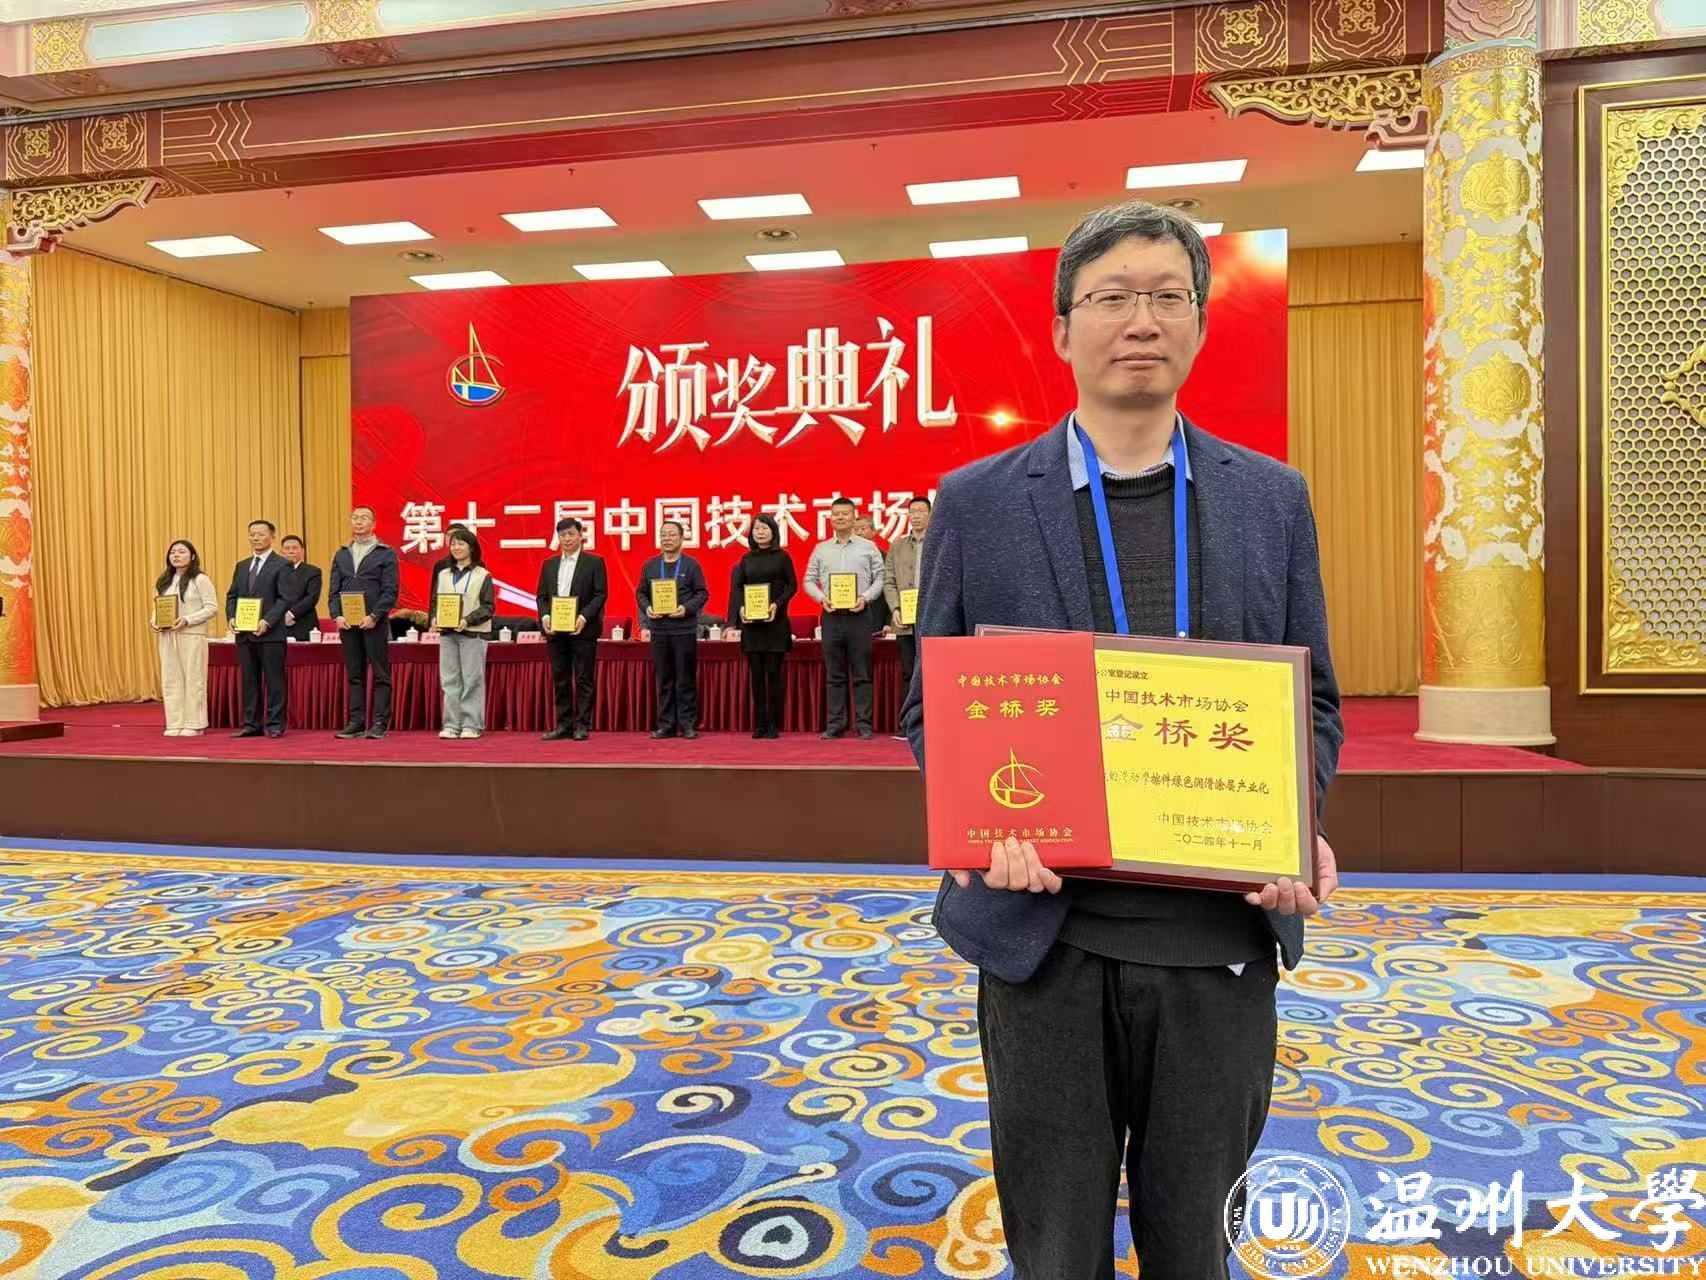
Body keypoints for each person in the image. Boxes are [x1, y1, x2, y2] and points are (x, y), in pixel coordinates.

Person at [899, 199, 1345, 1280]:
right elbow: (932, 707)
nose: (1140, 319)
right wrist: (981, 822)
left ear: (1198, 324)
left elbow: (1316, 702)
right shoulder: (976, 502)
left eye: (1166, 296)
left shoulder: (1271, 499)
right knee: (1055, 1244)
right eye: (1110, 297)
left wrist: (1296, 820)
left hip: (1216, 936)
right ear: (1063, 330)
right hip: (1044, 937)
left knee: (1197, 1242)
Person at [803, 496, 885, 740]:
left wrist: (866, 598)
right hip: (831, 616)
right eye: (836, 514)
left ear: (854, 517)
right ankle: (835, 723)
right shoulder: (821, 549)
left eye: (845, 514)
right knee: (834, 674)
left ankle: (863, 724)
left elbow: (880, 578)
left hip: (860, 615)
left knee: (862, 673)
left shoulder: (868, 547)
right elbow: (808, 580)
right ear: (830, 518)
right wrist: (822, 598)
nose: (840, 517)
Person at [328, 506, 400, 740]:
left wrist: (375, 615)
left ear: (374, 523)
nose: (359, 522)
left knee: (380, 674)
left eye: (364, 518)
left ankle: (379, 722)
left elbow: (390, 591)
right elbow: (333, 591)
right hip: (347, 623)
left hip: (374, 622)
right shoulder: (342, 554)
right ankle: (356, 722)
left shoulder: (385, 553)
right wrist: (337, 615)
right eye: (355, 518)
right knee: (354, 673)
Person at [535, 516, 607, 741]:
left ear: (580, 536)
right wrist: (545, 616)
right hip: (555, 631)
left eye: (571, 534)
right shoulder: (549, 564)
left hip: (583, 630)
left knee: (584, 679)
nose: (566, 539)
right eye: (562, 535)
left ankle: (582, 725)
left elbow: (600, 595)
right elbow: (542, 596)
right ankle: (563, 725)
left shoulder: (594, 562)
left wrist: (583, 617)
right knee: (561, 679)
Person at [638, 520, 709, 739]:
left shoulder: (691, 565)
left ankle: (687, 724)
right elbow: (641, 593)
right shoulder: (651, 565)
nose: (667, 539)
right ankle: (666, 724)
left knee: (685, 678)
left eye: (671, 534)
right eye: (663, 535)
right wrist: (648, 609)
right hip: (659, 630)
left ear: (681, 538)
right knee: (664, 678)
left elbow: (702, 593)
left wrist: (686, 608)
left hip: (684, 629)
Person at [729, 513, 797, 738]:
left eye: (764, 528)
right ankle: (759, 723)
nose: (760, 532)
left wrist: (777, 604)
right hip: (752, 626)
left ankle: (774, 724)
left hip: (775, 623)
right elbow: (738, 587)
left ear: (773, 531)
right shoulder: (746, 559)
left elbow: (792, 586)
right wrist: (741, 609)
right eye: (756, 528)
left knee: (773, 674)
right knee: (757, 675)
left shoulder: (782, 557)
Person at [224, 519, 292, 738]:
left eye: (261, 534)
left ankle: (275, 724)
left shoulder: (282, 564)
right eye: (252, 534)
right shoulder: (242, 565)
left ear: (272, 537)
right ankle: (252, 724)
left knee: (274, 680)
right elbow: (232, 596)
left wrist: (267, 621)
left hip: (270, 634)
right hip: (245, 634)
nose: (256, 538)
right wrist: (231, 617)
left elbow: (285, 598)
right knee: (249, 681)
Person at [429, 524, 496, 739]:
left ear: (472, 548)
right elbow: (435, 601)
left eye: (461, 543)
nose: (456, 547)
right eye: (453, 544)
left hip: (473, 634)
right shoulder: (444, 574)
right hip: (448, 634)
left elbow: (488, 607)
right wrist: (434, 618)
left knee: (472, 679)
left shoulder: (482, 575)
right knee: (449, 680)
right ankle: (451, 724)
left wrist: (467, 620)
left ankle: (472, 724)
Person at [150, 539, 218, 736]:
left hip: (192, 635)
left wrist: (188, 620)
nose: (176, 555)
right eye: (173, 552)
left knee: (194, 679)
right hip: (168, 636)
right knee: (171, 680)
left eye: (181, 551)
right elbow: (158, 606)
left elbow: (212, 608)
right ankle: (175, 722)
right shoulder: (165, 581)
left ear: (192, 556)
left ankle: (195, 723)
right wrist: (154, 621)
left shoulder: (200, 579)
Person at [882, 495, 931, 735]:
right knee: (909, 672)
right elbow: (889, 582)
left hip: (932, 618)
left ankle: (933, 721)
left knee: (932, 672)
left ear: (930, 514)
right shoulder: (897, 547)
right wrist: (895, 608)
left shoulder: (938, 542)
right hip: (904, 620)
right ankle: (910, 724)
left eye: (921, 511)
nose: (916, 516)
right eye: (912, 512)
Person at [279, 535, 321, 641]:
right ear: (281, 552)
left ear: (302, 551)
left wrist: (291, 614)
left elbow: (312, 597)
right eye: (287, 548)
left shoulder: (313, 572)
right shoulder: (274, 572)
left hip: (304, 623)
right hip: (278, 625)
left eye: (294, 548)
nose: (291, 551)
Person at [853, 513, 891, 631]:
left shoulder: (885, 558)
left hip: (877, 619)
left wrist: (889, 621)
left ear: (873, 532)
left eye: (863, 528)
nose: (859, 533)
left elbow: (890, 589)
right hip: (850, 619)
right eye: (855, 529)